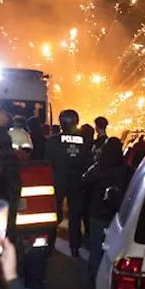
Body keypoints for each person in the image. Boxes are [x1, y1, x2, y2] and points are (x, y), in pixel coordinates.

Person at [82, 138, 128, 289]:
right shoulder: (126, 170)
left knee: (96, 248)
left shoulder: (97, 168)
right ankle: (110, 284)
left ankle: (93, 284)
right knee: (115, 250)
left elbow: (84, 182)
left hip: (97, 213)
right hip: (117, 216)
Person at [45, 109, 91, 257]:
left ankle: (50, 243)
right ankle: (75, 247)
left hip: (58, 180)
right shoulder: (85, 141)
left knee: (52, 213)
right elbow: (88, 162)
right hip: (77, 182)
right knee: (75, 216)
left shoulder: (52, 141)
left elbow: (47, 162)